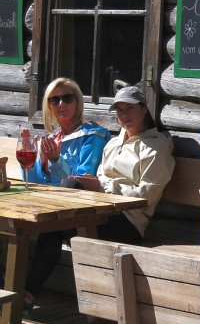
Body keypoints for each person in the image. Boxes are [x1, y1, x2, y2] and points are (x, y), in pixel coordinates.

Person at [25, 85, 175, 309]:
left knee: (56, 224)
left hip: (129, 221)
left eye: (130, 108)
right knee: (60, 210)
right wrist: (95, 185)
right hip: (101, 211)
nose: (124, 115)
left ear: (144, 109)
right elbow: (101, 177)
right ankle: (27, 294)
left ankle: (27, 294)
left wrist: (103, 187)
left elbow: (147, 194)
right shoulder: (113, 143)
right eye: (120, 110)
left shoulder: (156, 147)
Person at [28, 77, 110, 185]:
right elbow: (33, 183)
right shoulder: (51, 139)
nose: (61, 104)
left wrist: (56, 161)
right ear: (49, 106)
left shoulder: (93, 137)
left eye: (67, 98)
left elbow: (80, 185)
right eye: (55, 100)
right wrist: (29, 163)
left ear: (77, 102)